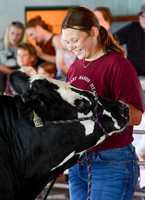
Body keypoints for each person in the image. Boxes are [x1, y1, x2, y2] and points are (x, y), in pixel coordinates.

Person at [61, 6, 143, 200]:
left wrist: (96, 109)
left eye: (75, 40)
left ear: (94, 32)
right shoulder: (73, 68)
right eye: (66, 42)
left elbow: (136, 116)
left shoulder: (117, 64)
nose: (71, 47)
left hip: (111, 160)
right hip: (78, 158)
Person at [113, 3, 145, 77]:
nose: (144, 19)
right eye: (142, 16)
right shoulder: (132, 27)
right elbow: (112, 40)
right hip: (132, 74)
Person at [0, 21, 27, 93]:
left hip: (17, 75)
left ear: (22, 36)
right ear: (8, 32)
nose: (14, 37)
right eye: (12, 33)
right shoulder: (1, 45)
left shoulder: (24, 48)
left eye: (18, 34)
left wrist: (9, 71)